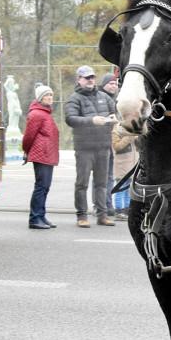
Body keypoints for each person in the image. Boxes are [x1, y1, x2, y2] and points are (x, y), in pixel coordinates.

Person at [65, 65, 116, 227]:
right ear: (79, 79)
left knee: (102, 183)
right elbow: (70, 119)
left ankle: (102, 215)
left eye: (92, 77)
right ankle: (81, 216)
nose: (90, 80)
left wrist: (115, 116)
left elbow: (117, 111)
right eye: (87, 78)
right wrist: (91, 120)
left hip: (103, 146)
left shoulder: (103, 96)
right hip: (84, 148)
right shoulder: (74, 98)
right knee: (82, 183)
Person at [21, 84, 60, 230]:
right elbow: (28, 136)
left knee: (45, 187)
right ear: (40, 98)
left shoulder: (45, 112)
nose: (50, 98)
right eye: (46, 95)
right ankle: (35, 218)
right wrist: (27, 151)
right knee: (41, 187)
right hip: (41, 155)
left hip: (47, 154)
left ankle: (41, 216)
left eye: (50, 95)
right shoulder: (36, 114)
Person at [99, 73, 120, 218]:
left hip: (115, 144)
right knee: (101, 177)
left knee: (111, 176)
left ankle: (108, 204)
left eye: (115, 83)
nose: (113, 86)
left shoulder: (119, 99)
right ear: (104, 84)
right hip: (102, 142)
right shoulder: (99, 97)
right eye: (111, 83)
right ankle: (101, 205)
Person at [111, 121, 138, 221]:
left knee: (129, 188)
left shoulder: (134, 126)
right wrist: (129, 136)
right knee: (120, 187)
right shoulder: (117, 127)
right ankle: (118, 210)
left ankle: (127, 208)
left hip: (132, 163)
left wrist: (137, 138)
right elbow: (117, 146)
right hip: (122, 164)